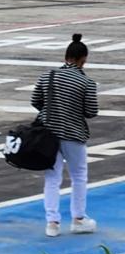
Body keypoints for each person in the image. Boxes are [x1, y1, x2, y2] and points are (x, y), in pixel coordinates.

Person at [33, 33, 99, 236]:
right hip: (74, 134)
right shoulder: (86, 83)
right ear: (83, 59)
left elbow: (35, 100)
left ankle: (52, 223)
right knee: (79, 176)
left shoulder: (48, 75)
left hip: (49, 134)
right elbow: (91, 111)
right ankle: (78, 219)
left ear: (65, 57)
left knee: (52, 177)